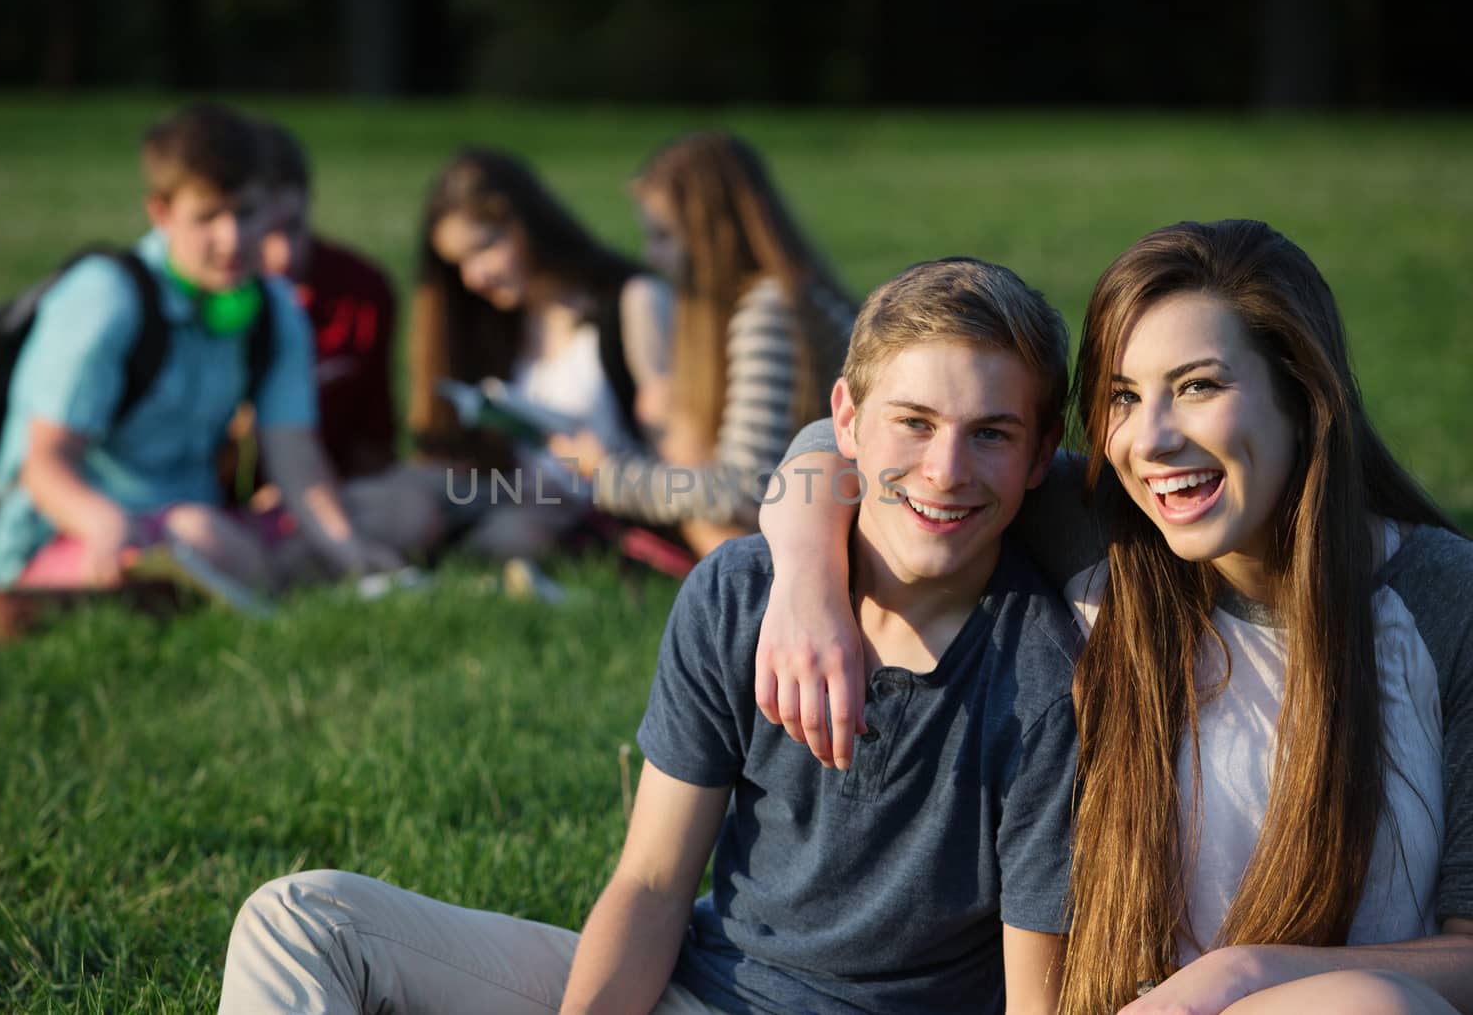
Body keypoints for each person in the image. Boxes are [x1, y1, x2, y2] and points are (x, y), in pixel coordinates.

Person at [218, 258, 1082, 1014]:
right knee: (304, 921)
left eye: (992, 435)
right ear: (846, 420)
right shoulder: (741, 593)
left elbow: (1033, 995)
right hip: (694, 981)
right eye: (915, 422)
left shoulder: (1049, 679)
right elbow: (653, 883)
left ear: (1041, 454)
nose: (946, 469)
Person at [751, 220, 1473, 1014]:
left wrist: (1243, 973)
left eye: (1199, 385)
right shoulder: (1106, 531)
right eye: (1125, 397)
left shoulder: (1440, 596)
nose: (1153, 441)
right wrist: (807, 581)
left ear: (1301, 394)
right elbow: (845, 440)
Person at [0, 103, 412, 595]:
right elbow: (45, 466)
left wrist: (347, 549)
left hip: (203, 520)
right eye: (207, 218)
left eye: (246, 213)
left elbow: (295, 455)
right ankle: (256, 577)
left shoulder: (273, 307)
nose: (231, 239)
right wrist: (102, 522)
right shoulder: (107, 298)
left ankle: (260, 575)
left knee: (402, 512)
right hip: (78, 535)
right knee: (210, 541)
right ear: (161, 213)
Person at [552, 131, 857, 558]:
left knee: (681, 443)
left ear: (712, 235)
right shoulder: (774, 296)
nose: (651, 256)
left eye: (663, 236)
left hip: (844, 517)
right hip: (817, 501)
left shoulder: (769, 310)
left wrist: (607, 476)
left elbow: (744, 490)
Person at [408, 147, 674, 561]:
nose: (475, 277)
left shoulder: (633, 302)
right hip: (518, 491)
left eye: (486, 247)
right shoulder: (495, 321)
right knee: (399, 495)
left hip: (612, 504)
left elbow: (676, 458)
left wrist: (601, 472)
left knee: (505, 538)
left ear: (527, 221)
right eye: (459, 263)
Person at [253, 118, 401, 481]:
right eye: (262, 233)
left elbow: (373, 444)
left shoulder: (361, 290)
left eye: (292, 227)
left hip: (330, 492)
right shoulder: (199, 300)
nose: (282, 254)